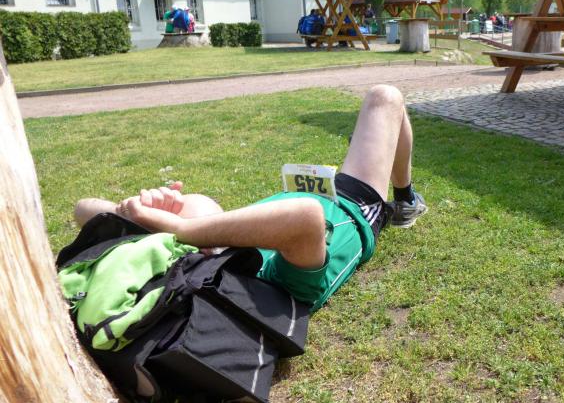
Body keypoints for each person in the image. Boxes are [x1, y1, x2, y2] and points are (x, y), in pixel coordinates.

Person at [73, 85, 428, 312]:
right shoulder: (266, 286)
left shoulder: (202, 243)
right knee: (386, 98)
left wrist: (134, 211)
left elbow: (83, 209)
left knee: (387, 100)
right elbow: (306, 217)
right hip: (353, 206)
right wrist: (181, 228)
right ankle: (404, 200)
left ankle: (405, 196)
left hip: (305, 190)